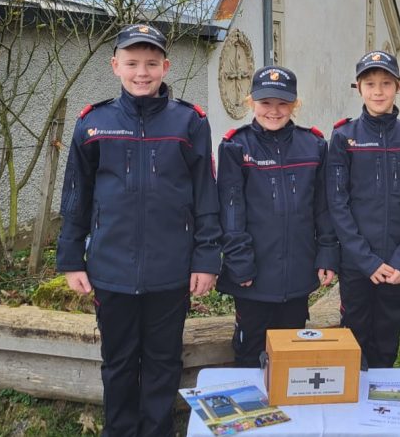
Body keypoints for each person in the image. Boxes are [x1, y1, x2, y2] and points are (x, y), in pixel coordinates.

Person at [56, 23, 221, 435]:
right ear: (115, 66)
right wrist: (72, 258)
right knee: (119, 363)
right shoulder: (93, 124)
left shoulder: (189, 122)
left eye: (151, 63)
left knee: (164, 362)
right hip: (111, 270)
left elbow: (206, 197)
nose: (141, 72)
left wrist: (206, 259)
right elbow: (76, 196)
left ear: (165, 66)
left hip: (170, 270)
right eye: (132, 63)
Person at [216, 65, 339, 367]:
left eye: (283, 103)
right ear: (251, 103)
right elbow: (231, 211)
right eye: (266, 103)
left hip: (298, 271)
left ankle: (289, 412)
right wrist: (240, 263)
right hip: (253, 275)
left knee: (291, 353)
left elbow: (322, 208)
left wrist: (327, 254)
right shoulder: (236, 146)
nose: (274, 111)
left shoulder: (313, 146)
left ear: (295, 104)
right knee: (249, 352)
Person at [327, 51, 400, 368]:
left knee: (387, 336)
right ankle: (353, 404)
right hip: (358, 263)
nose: (378, 91)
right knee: (354, 337)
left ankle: (381, 407)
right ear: (358, 88)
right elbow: (337, 203)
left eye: (386, 83)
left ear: (398, 86)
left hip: (397, 263)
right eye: (370, 83)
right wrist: (366, 260)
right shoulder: (344, 136)